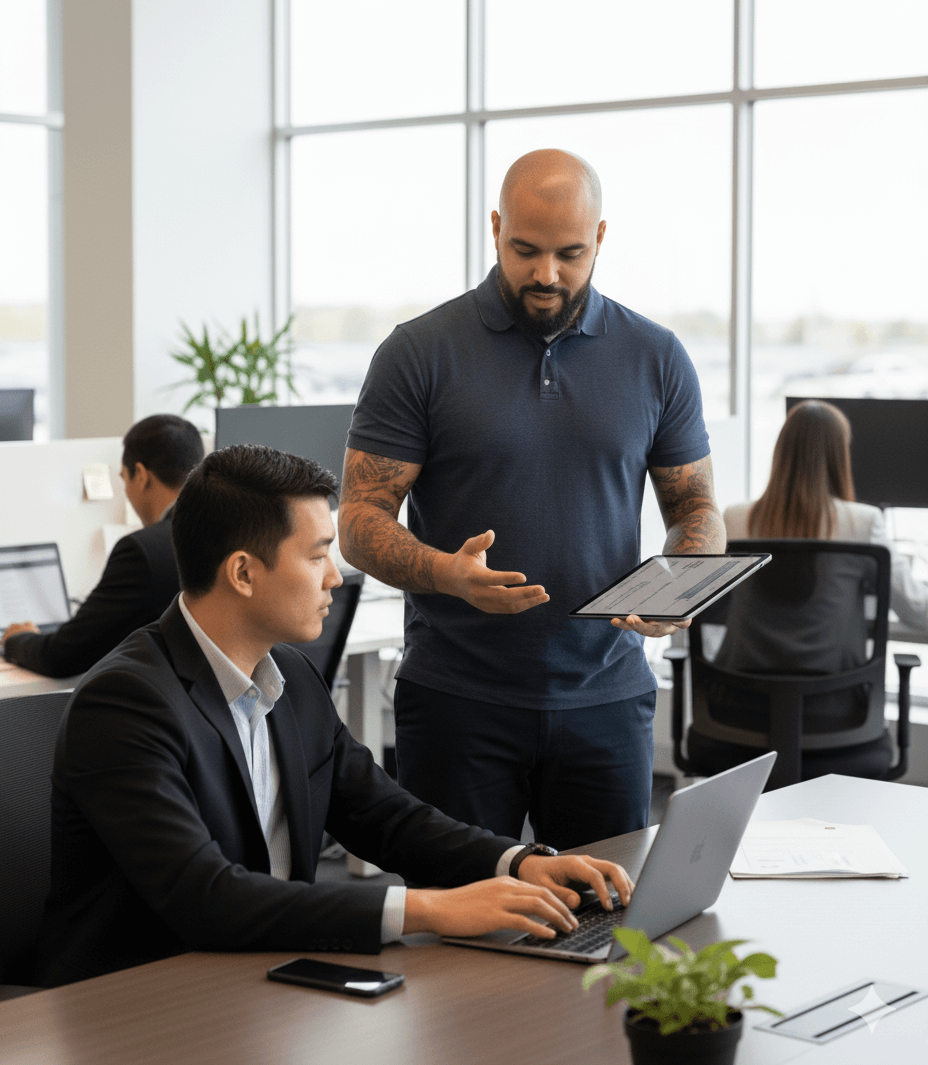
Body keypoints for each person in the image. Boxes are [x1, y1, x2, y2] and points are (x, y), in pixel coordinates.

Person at [36, 444, 632, 987]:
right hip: (140, 994)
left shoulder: (290, 676)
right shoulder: (125, 704)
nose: (334, 577)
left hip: (263, 970)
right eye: (319, 554)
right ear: (243, 573)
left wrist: (519, 861)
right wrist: (428, 908)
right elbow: (202, 896)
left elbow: (384, 815)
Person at [339, 148, 725, 850]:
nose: (547, 274)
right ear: (495, 229)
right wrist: (444, 574)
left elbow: (696, 509)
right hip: (458, 701)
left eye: (570, 253)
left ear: (600, 239)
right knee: (454, 931)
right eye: (526, 250)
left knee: (605, 930)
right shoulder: (418, 352)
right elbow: (360, 519)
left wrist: (680, 584)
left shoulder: (657, 356)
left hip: (607, 701)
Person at [2, 414, 204, 678]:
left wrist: (17, 640)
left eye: (124, 479)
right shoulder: (226, 530)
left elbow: (62, 656)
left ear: (141, 476)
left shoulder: (144, 551)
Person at [724, 398, 928, 640]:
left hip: (744, 671)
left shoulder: (734, 518)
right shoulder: (865, 522)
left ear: (781, 450)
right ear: (839, 456)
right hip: (835, 675)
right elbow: (917, 610)